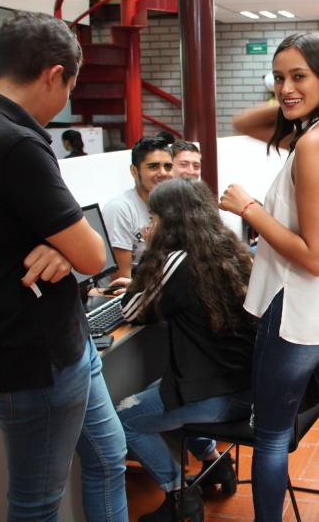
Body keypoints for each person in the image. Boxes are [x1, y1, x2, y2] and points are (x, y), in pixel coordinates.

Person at [0, 10, 127, 521]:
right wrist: (70, 245)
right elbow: (94, 254)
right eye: (70, 88)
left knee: (108, 455)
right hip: (38, 359)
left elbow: (8, 228)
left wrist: (60, 244)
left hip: (35, 342)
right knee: (36, 502)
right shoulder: (17, 143)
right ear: (55, 74)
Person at [222, 32, 319, 521]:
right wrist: (295, 99)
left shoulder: (313, 143)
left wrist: (249, 208)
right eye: (279, 77)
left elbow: (314, 256)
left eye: (299, 76)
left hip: (298, 318)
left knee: (270, 438)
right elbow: (243, 120)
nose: (285, 87)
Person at [115, 179, 256, 522]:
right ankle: (215, 463)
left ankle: (180, 493)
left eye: (154, 218)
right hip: (246, 388)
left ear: (170, 220)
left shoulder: (175, 260)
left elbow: (130, 311)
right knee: (162, 390)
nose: (150, 226)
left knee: (122, 420)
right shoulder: (227, 249)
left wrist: (150, 257)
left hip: (215, 396)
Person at [102, 133, 174, 279]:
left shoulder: (173, 205)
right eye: (153, 167)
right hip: (132, 294)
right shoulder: (120, 209)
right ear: (134, 171)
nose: (163, 173)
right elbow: (121, 281)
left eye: (168, 166)